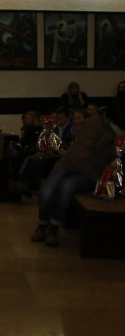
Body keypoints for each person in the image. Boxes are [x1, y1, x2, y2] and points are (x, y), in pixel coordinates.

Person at [31, 95, 125, 247]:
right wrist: (100, 181)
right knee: (47, 189)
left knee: (66, 187)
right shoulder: (95, 124)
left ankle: (53, 228)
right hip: (72, 163)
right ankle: (41, 226)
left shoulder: (119, 128)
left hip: (94, 169)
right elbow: (80, 158)